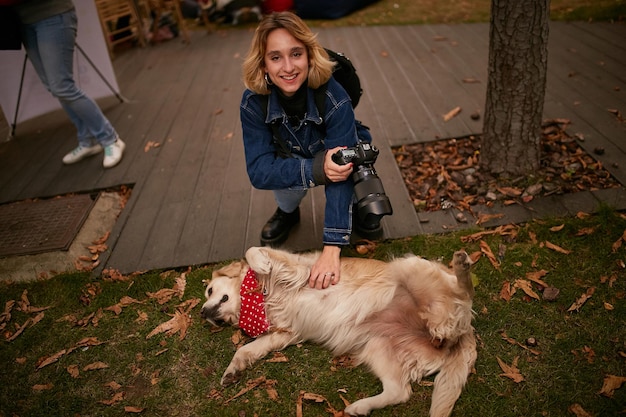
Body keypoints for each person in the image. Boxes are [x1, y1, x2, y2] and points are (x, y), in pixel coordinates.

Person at [240, 11, 374, 289]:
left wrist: (332, 247)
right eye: (275, 57)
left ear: (310, 55)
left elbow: (342, 165)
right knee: (286, 188)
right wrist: (314, 168)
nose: (288, 67)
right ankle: (288, 213)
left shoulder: (335, 97)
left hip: (334, 150)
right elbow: (259, 171)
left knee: (348, 166)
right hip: (289, 158)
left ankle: (356, 207)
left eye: (296, 54)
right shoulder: (253, 103)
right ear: (263, 64)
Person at [12, 0, 125, 168]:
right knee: (54, 87)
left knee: (62, 86)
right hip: (24, 22)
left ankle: (111, 139)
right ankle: (87, 140)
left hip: (52, 14)